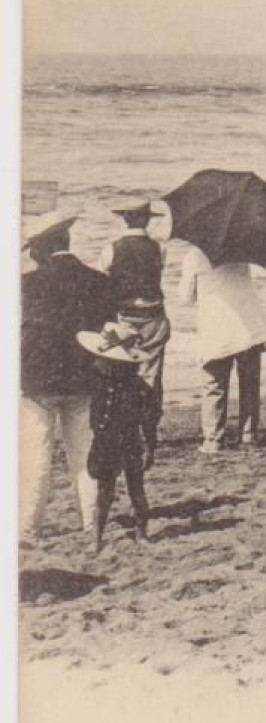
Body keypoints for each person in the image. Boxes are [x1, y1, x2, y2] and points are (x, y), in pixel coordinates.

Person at [20, 213, 114, 539]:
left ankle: (29, 527)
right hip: (84, 376)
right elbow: (109, 333)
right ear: (67, 241)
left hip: (35, 379)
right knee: (85, 455)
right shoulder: (98, 281)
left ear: (40, 250)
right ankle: (91, 522)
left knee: (36, 455)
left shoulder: (24, 285)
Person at [96, 198, 169, 466]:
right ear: (147, 219)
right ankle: (149, 440)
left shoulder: (111, 248)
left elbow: (100, 284)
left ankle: (124, 435)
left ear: (124, 219)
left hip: (123, 318)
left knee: (119, 379)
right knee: (151, 380)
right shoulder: (158, 249)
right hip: (153, 318)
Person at [179, 244, 266, 453]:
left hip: (216, 326)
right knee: (249, 383)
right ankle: (248, 434)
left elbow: (185, 298)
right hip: (249, 325)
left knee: (214, 385)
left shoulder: (195, 255)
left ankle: (213, 439)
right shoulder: (242, 252)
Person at [79, 323, 155, 553]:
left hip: (130, 441)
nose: (98, 363)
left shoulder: (138, 388)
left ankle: (142, 532)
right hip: (105, 442)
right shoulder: (97, 381)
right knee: (104, 492)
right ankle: (96, 538)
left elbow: (149, 419)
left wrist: (149, 447)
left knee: (136, 490)